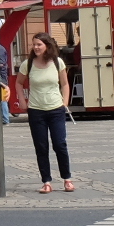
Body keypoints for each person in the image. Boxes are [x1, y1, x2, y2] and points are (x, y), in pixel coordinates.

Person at [19, 32, 76, 193]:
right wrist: (22, 100)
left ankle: (67, 178)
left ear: (47, 46)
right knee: (41, 146)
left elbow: (65, 84)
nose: (36, 47)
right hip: (36, 110)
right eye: (34, 45)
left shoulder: (57, 62)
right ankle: (46, 181)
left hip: (56, 109)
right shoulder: (28, 64)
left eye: (39, 44)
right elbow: (19, 83)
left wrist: (65, 103)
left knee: (60, 144)